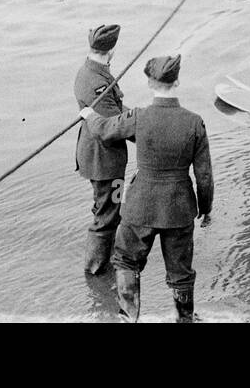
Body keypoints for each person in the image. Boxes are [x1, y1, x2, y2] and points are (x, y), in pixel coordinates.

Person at [80, 54, 214, 322]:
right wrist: (205, 208)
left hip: (140, 206)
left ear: (150, 84)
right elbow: (204, 176)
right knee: (181, 271)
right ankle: (184, 319)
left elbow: (105, 129)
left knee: (126, 261)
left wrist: (89, 114)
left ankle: (128, 317)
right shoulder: (195, 121)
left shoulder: (139, 117)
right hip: (179, 209)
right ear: (176, 82)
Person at [73, 23, 128, 276]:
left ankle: (104, 263)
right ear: (111, 50)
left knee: (106, 207)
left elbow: (115, 112)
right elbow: (111, 127)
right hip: (105, 162)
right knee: (108, 214)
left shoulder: (90, 71)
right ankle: (95, 271)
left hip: (99, 158)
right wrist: (148, 127)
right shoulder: (97, 82)